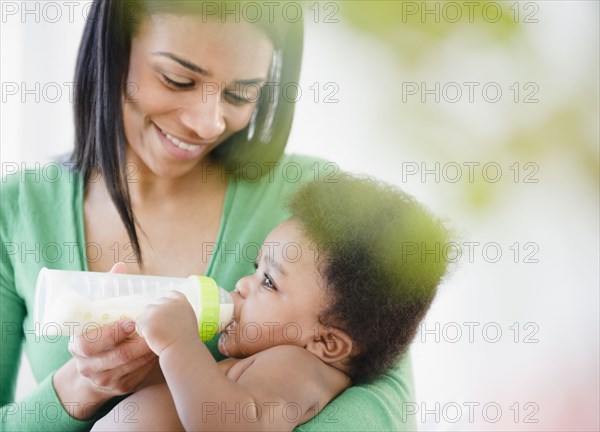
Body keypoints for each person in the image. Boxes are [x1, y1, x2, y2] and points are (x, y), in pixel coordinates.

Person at [0, 1, 415, 430]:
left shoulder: (313, 206)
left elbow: (384, 408)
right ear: (114, 49)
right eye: (178, 79)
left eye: (240, 94)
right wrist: (81, 388)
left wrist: (181, 345)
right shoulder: (16, 213)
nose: (208, 124)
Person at [92, 174, 450, 431]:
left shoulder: (296, 367)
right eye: (255, 268)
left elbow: (230, 425)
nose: (243, 284)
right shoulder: (261, 361)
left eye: (268, 281)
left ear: (326, 341)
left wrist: (178, 342)